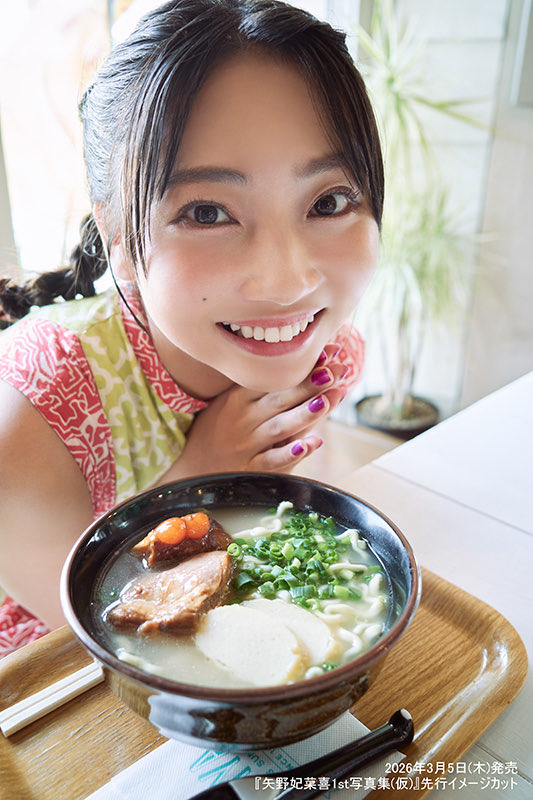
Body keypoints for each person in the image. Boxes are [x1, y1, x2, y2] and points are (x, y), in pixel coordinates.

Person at [0, 0, 383, 656]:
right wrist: (197, 477)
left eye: (328, 201)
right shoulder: (33, 410)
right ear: (120, 235)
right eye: (207, 212)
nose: (287, 282)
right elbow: (93, 645)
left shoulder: (325, 355)